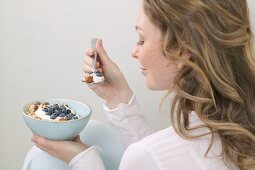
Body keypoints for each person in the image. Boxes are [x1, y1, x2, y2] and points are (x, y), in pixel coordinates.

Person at [31, 0, 255, 169]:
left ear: (182, 51)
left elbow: (154, 158)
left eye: (141, 39)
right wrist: (118, 96)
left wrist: (83, 160)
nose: (134, 51)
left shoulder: (147, 155)